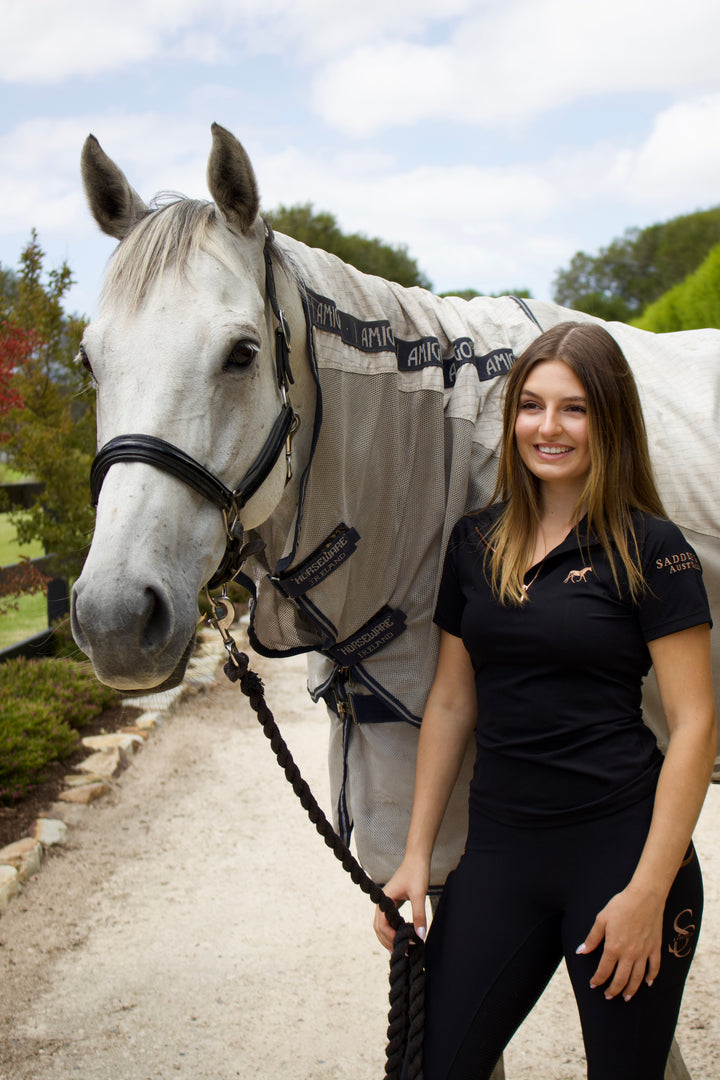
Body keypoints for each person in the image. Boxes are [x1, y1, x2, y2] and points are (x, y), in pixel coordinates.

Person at [374, 322, 716, 1080]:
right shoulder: (474, 543)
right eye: (531, 406)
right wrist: (416, 858)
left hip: (621, 856)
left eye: (575, 408)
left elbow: (695, 726)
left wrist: (648, 892)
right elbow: (454, 704)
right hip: (500, 855)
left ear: (610, 421)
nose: (548, 427)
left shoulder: (654, 548)